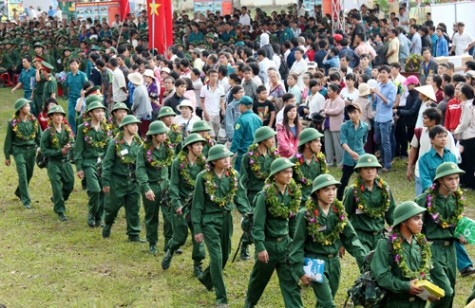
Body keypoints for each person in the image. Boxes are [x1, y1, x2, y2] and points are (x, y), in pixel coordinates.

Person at [288, 174, 368, 307]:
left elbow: (351, 238)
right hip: (315, 261)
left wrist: (364, 259)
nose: (331, 193)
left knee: (325, 300)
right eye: (326, 190)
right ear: (317, 193)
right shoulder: (306, 214)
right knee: (328, 303)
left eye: (333, 189)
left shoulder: (338, 211)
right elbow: (298, 244)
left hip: (334, 262)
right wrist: (299, 271)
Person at [191, 145, 251, 307]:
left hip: (226, 220)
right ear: (214, 161)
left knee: (225, 256)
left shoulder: (234, 175)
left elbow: (240, 198)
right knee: (216, 258)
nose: (227, 160)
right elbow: (197, 205)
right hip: (209, 221)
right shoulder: (203, 178)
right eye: (223, 157)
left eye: (228, 156)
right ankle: (221, 298)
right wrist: (197, 228)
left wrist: (248, 213)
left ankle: (205, 278)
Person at [244, 158, 303, 307]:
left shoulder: (292, 193)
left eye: (290, 171)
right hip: (268, 246)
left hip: (285, 245)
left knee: (291, 283)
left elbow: (292, 221)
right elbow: (257, 225)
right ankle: (249, 304)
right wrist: (260, 248)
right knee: (258, 281)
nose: (289, 175)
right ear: (275, 175)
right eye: (285, 172)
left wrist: (294, 244)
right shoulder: (264, 196)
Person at [415, 162, 467, 307]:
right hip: (432, 248)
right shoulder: (425, 199)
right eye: (450, 179)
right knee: (444, 291)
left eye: (457, 178)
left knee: (451, 292)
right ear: (440, 180)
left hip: (450, 249)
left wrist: (461, 235)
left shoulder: (456, 198)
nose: (455, 182)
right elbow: (413, 225)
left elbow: (457, 223)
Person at [370, 201, 435, 307]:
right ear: (404, 222)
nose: (421, 222)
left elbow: (425, 272)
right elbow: (382, 276)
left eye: (421, 218)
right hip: (395, 303)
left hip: (418, 304)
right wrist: (406, 286)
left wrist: (429, 293)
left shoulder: (421, 243)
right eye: (416, 218)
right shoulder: (386, 243)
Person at [163, 133, 207, 276]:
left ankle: (197, 265)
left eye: (202, 145)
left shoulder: (203, 164)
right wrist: (176, 204)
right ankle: (170, 250)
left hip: (196, 204)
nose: (200, 148)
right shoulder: (177, 162)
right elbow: (173, 184)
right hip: (181, 202)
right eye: (197, 145)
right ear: (189, 147)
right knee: (180, 237)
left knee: (198, 234)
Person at [238, 126, 279, 260]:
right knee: (253, 224)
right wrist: (242, 201)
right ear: (262, 140)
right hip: (254, 195)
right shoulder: (248, 157)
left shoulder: (274, 155)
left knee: (269, 222)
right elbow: (242, 180)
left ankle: (264, 248)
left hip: (270, 193)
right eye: (270, 137)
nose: (273, 140)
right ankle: (245, 242)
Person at [101, 115, 144, 242]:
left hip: (134, 181)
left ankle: (134, 234)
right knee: (112, 207)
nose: (136, 127)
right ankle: (108, 224)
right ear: (125, 127)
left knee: (134, 207)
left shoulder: (139, 143)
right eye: (133, 124)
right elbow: (107, 163)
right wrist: (106, 182)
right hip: (117, 180)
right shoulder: (115, 143)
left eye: (137, 124)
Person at [343, 154, 396, 252]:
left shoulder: (384, 189)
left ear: (376, 170)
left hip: (380, 236)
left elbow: (391, 213)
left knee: (380, 265)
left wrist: (396, 231)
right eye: (365, 168)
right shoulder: (353, 191)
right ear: (359, 171)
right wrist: (342, 241)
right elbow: (343, 216)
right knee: (366, 263)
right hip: (361, 237)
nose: (369, 171)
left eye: (372, 168)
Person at [135, 120, 174, 254]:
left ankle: (169, 243)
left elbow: (170, 166)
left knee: (169, 215)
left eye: (164, 133)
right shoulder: (143, 149)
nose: (164, 136)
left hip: (165, 184)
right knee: (152, 216)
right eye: (161, 133)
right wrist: (146, 188)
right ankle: (152, 242)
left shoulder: (167, 147)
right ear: (153, 135)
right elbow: (140, 169)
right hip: (151, 185)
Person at [74, 101, 112, 227]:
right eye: (97, 111)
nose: (101, 114)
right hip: (88, 162)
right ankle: (91, 213)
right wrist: (79, 167)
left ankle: (99, 217)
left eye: (102, 111)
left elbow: (109, 149)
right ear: (90, 113)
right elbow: (78, 149)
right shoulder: (83, 128)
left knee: (104, 192)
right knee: (95, 190)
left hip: (103, 164)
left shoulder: (106, 129)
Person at [4, 98, 41, 209]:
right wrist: (7, 156)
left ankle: (19, 192)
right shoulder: (13, 123)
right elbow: (8, 140)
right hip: (18, 151)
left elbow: (39, 136)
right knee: (23, 176)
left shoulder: (34, 120)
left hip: (31, 151)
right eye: (26, 106)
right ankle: (26, 201)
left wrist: (42, 148)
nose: (29, 108)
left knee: (29, 174)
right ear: (20, 109)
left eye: (29, 106)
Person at [40, 105, 75, 221]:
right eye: (56, 115)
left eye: (61, 115)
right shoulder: (47, 133)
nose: (59, 117)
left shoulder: (67, 130)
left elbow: (73, 142)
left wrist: (70, 146)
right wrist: (60, 151)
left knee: (69, 184)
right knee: (57, 188)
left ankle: (56, 199)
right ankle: (60, 211)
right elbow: (44, 150)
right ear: (51, 117)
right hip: (53, 163)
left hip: (66, 163)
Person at [337, 102, 368, 200]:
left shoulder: (365, 126)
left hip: (360, 158)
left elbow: (364, 141)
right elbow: (343, 142)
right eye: (350, 113)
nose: (352, 115)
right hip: (348, 158)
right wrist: (351, 152)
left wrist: (359, 151)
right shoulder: (344, 126)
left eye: (354, 112)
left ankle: (364, 199)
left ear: (360, 112)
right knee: (344, 181)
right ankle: (339, 200)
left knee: (365, 180)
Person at [373, 65, 397, 172]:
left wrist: (378, 93)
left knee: (385, 142)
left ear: (388, 74)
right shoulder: (378, 85)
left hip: (386, 118)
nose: (381, 74)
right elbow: (375, 102)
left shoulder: (392, 87)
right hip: (377, 117)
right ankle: (383, 160)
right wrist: (373, 95)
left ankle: (387, 164)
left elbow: (390, 103)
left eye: (383, 72)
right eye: (380, 72)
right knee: (378, 140)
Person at [230, 96, 263, 172]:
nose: (238, 107)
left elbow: (237, 139)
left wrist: (231, 153)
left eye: (239, 105)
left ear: (243, 106)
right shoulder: (258, 118)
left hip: (243, 153)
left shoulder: (241, 120)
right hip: (256, 152)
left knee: (240, 176)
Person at [454, 84, 475, 189]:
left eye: (460, 91)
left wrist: (456, 132)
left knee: (468, 161)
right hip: (471, 136)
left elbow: (464, 123)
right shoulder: (469, 104)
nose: (459, 93)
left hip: (469, 136)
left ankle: (469, 183)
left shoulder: (467, 106)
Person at [322, 84, 345, 166]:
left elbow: (336, 111)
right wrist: (326, 111)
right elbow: (322, 112)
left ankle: (340, 162)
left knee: (338, 145)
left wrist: (326, 111)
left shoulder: (341, 101)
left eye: (329, 91)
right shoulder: (327, 101)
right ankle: (329, 162)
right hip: (326, 125)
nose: (328, 92)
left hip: (337, 126)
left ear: (335, 92)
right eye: (327, 91)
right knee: (328, 145)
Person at [65, 59, 88, 133]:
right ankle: (73, 132)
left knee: (82, 116)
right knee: (71, 115)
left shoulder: (82, 75)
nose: (73, 66)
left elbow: (87, 86)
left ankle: (83, 131)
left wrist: (83, 96)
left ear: (78, 65)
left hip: (80, 98)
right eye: (71, 64)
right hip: (71, 98)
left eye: (75, 64)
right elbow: (67, 86)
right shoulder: (68, 75)